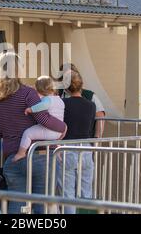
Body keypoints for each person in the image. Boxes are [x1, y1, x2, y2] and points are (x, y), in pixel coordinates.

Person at [0, 52, 66, 214]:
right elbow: (44, 119)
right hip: (39, 156)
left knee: (16, 206)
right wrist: (63, 127)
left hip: (13, 158)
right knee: (42, 207)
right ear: (18, 70)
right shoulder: (28, 93)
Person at [57, 70, 96, 214]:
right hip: (86, 148)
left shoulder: (62, 103)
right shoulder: (91, 106)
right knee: (86, 192)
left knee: (67, 194)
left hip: (66, 148)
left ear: (66, 87)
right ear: (81, 85)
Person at [13, 76, 65, 162]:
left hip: (49, 130)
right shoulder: (60, 100)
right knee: (52, 143)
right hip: (58, 133)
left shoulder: (47, 99)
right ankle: (58, 154)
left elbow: (43, 105)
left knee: (28, 133)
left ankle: (21, 153)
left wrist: (31, 109)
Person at [58, 63, 106, 138]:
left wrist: (97, 139)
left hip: (84, 139)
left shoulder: (90, 95)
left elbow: (100, 116)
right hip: (64, 139)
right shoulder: (57, 94)